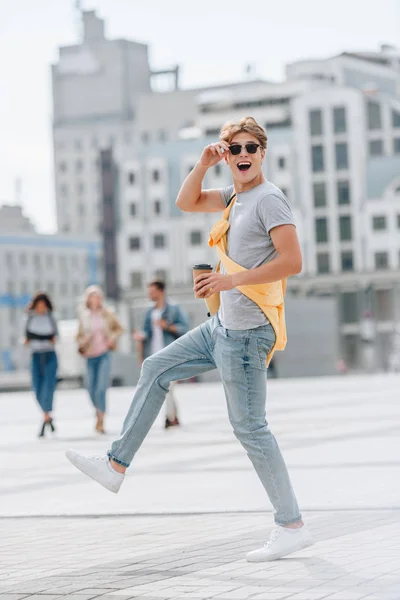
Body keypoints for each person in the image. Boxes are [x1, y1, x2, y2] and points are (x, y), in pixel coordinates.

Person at [66, 116, 313, 561]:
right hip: (221, 327)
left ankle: (290, 524)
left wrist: (230, 281)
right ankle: (115, 465)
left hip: (247, 332)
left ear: (263, 152)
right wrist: (201, 163)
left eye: (250, 148)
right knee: (156, 367)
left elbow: (293, 261)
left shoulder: (269, 199)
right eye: (233, 149)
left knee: (251, 429)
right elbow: (186, 201)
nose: (242, 155)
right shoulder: (235, 197)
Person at [133, 280, 189, 429]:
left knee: (168, 386)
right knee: (165, 387)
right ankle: (173, 416)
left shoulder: (174, 309)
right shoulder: (149, 313)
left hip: (170, 353)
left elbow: (184, 328)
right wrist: (141, 337)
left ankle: (168, 417)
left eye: (152, 291)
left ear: (160, 291)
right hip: (154, 354)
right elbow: (146, 333)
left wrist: (168, 327)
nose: (149, 295)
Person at [76, 285, 124, 434]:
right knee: (90, 387)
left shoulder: (107, 313)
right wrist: (84, 340)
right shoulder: (84, 315)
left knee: (101, 387)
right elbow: (78, 336)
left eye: (98, 295)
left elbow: (119, 328)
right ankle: (98, 411)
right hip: (90, 355)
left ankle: (101, 419)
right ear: (88, 299)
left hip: (104, 354)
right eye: (93, 296)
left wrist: (112, 339)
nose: (96, 298)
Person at [24, 292, 58, 437]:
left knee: (48, 386)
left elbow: (56, 337)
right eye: (39, 306)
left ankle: (46, 415)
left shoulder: (51, 318)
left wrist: (52, 340)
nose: (41, 308)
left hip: (49, 355)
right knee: (37, 388)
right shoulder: (29, 318)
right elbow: (25, 337)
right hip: (36, 355)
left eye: (43, 306)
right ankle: (47, 417)